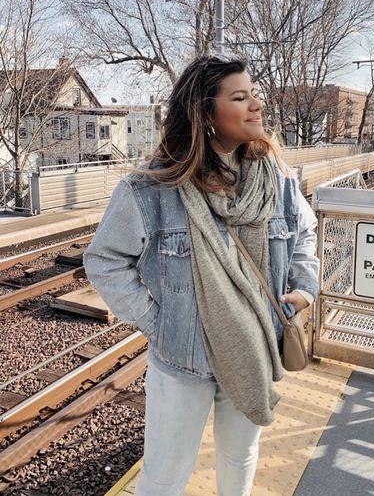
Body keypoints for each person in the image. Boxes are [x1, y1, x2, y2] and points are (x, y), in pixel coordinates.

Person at [83, 54, 320, 496]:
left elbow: (305, 233)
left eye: (254, 94)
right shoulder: (151, 189)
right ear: (205, 114)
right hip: (183, 361)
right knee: (164, 476)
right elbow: (104, 260)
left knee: (240, 458)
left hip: (253, 349)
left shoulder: (277, 180)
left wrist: (304, 286)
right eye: (240, 97)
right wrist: (160, 322)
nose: (256, 105)